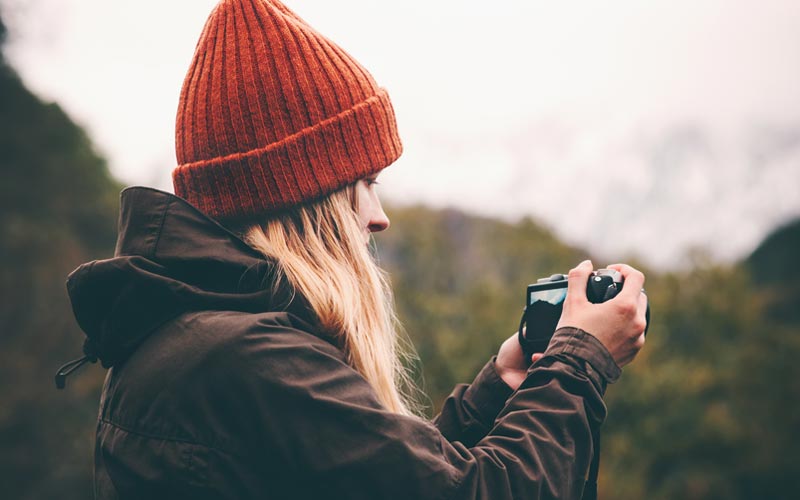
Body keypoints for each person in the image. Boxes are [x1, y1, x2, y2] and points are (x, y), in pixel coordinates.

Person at [59, 0, 647, 498]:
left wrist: (498, 389)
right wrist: (579, 362)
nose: (379, 217)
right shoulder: (250, 359)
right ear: (302, 196)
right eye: (363, 185)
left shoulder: (204, 343)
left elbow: (376, 473)